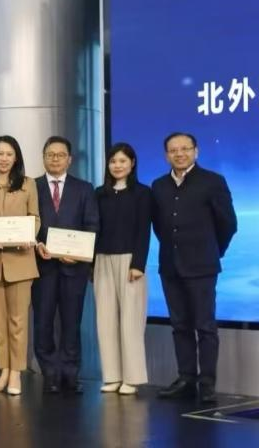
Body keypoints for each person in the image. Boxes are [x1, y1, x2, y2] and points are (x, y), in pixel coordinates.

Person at [152, 132, 237, 403]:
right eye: (173, 150)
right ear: (166, 155)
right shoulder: (159, 185)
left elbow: (228, 224)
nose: (179, 154)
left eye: (185, 149)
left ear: (196, 151)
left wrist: (213, 251)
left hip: (202, 266)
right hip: (170, 266)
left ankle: (207, 383)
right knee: (180, 326)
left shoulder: (213, 181)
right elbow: (160, 227)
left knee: (205, 326)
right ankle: (186, 378)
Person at [33, 136, 99, 395]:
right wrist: (37, 244)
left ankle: (70, 374)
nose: (55, 159)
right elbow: (27, 222)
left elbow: (92, 224)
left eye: (61, 155)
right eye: (50, 154)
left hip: (74, 269)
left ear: (69, 159)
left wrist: (80, 254)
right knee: (43, 323)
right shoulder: (32, 187)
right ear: (43, 157)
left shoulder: (84, 188)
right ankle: (50, 373)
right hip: (43, 267)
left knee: (72, 323)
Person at [0, 135, 40, 396]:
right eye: (0, 153)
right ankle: (3, 370)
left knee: (18, 321)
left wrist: (28, 235)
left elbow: (34, 218)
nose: (4, 158)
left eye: (9, 154)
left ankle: (16, 372)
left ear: (16, 158)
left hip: (21, 261)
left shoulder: (28, 184)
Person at [94, 142, 152, 396]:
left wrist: (139, 263)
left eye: (122, 161)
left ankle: (132, 377)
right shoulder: (99, 194)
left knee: (131, 321)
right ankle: (112, 376)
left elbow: (144, 231)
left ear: (132, 163)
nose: (117, 165)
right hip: (102, 259)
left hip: (130, 262)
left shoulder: (143, 193)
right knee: (105, 320)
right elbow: (93, 229)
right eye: (113, 161)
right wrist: (91, 264)